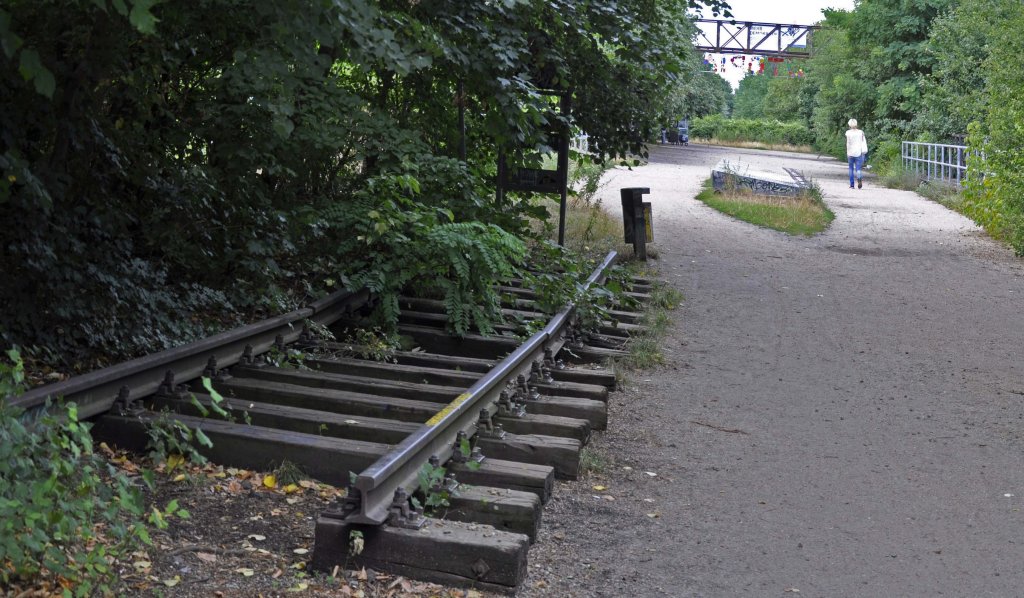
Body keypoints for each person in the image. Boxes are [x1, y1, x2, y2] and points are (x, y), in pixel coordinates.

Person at [846, 118, 868, 189]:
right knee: (858, 168)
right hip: (858, 153)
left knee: (851, 169)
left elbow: (848, 143)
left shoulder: (848, 132)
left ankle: (852, 185)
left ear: (849, 125)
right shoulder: (860, 132)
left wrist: (847, 152)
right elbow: (863, 142)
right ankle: (859, 179)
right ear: (856, 124)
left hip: (850, 153)